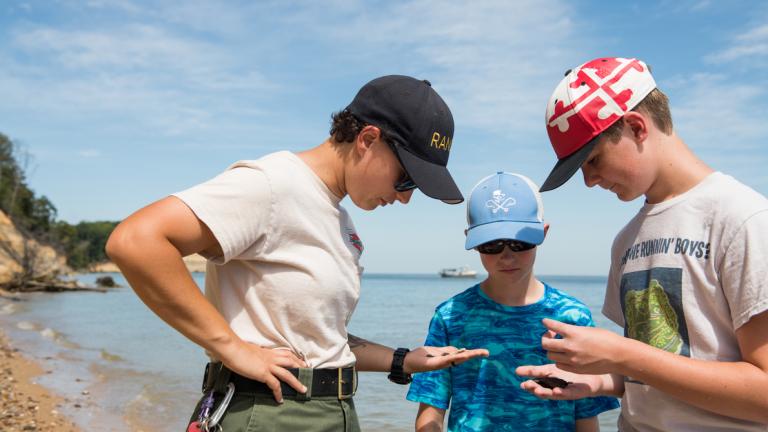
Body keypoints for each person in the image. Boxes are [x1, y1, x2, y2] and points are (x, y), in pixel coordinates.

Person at [105, 75, 488, 432]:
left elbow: (316, 340)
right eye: (407, 179)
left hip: (332, 410)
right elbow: (137, 241)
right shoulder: (273, 185)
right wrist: (231, 347)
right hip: (271, 412)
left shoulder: (341, 223)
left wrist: (401, 360)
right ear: (367, 140)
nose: (405, 198)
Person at [516, 57, 768, 431]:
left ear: (636, 127)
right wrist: (599, 380)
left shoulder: (744, 219)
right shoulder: (626, 240)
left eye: (593, 160)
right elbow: (655, 375)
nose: (588, 181)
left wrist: (623, 354)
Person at [406, 171, 619, 431]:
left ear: (543, 232)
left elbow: (586, 415)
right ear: (471, 240)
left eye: (519, 243)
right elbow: (430, 411)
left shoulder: (572, 317)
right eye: (492, 245)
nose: (507, 257)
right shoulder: (451, 316)